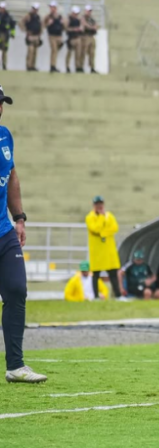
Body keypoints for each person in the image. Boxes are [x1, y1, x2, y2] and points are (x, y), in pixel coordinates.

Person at [0, 85, 47, 383]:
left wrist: (19, 218)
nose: (0, 108)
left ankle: (15, 366)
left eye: (1, 103)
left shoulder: (5, 135)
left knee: (17, 290)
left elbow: (12, 175)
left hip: (4, 231)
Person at [85, 196, 122, 299]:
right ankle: (96, 296)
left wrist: (102, 233)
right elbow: (95, 228)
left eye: (101, 204)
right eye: (97, 204)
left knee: (113, 273)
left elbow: (114, 228)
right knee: (96, 274)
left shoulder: (109, 216)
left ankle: (118, 295)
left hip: (108, 250)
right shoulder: (90, 217)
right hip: (97, 250)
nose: (99, 206)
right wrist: (101, 218)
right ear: (94, 205)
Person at [19, 3, 42, 71]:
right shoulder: (28, 16)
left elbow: (40, 25)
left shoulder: (38, 16)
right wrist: (26, 30)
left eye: (36, 9)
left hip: (36, 36)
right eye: (34, 9)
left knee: (35, 52)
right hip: (30, 36)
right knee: (30, 51)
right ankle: (28, 65)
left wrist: (40, 33)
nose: (35, 10)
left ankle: (33, 66)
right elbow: (21, 22)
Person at [44, 1, 63, 73]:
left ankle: (53, 65)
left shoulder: (59, 16)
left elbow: (64, 26)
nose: (52, 9)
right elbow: (43, 25)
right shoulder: (48, 16)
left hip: (59, 36)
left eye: (53, 7)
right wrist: (48, 23)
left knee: (56, 51)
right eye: (51, 7)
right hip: (52, 36)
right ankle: (52, 66)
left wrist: (62, 23)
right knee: (54, 50)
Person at [65, 6, 83, 73]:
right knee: (69, 53)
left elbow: (81, 28)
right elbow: (66, 29)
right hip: (71, 38)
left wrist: (80, 28)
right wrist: (74, 29)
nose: (76, 14)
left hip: (77, 38)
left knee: (78, 54)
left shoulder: (78, 20)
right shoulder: (69, 19)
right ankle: (67, 67)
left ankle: (77, 67)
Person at [82, 5, 97, 73]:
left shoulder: (92, 19)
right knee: (84, 52)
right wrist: (92, 27)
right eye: (88, 11)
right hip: (85, 36)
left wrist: (92, 27)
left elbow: (96, 26)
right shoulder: (83, 18)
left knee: (92, 53)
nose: (89, 12)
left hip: (91, 36)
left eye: (90, 11)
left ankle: (92, 67)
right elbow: (85, 25)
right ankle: (80, 67)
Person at [0, 3, 15, 71]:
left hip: (5, 35)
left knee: (4, 50)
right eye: (1, 8)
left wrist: (12, 34)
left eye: (3, 8)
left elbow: (12, 26)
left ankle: (4, 65)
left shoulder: (8, 16)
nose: (2, 9)